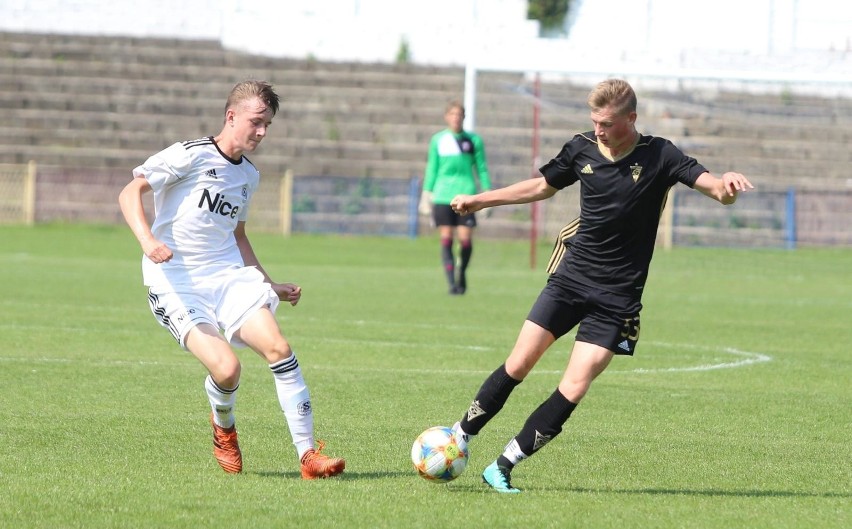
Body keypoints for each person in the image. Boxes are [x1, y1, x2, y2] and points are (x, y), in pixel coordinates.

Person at [447, 78, 753, 493]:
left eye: (607, 123)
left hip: (618, 297)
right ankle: (459, 437)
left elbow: (716, 189)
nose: (599, 130)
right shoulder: (581, 148)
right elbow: (540, 186)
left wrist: (728, 186)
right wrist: (481, 199)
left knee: (574, 385)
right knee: (519, 363)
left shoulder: (660, 154)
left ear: (631, 118)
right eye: (594, 121)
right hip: (571, 280)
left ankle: (503, 464)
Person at [118, 80, 345, 479]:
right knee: (227, 370)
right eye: (256, 122)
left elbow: (238, 236)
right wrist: (147, 239)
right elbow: (129, 192)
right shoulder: (188, 155)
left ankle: (309, 455)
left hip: (227, 276)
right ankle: (224, 428)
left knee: (279, 348)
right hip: (175, 279)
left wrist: (269, 284)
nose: (261, 132)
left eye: (268, 125)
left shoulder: (249, 177)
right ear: (232, 116)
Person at [420, 100, 492, 294]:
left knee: (465, 240)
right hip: (442, 195)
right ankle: (452, 283)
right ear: (446, 117)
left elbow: (482, 168)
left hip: (466, 194)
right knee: (446, 238)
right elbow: (432, 168)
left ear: (464, 117)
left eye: (459, 114)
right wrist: (427, 193)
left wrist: (487, 194)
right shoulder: (438, 140)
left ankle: (462, 273)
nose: (455, 118)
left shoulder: (473, 141)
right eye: (452, 114)